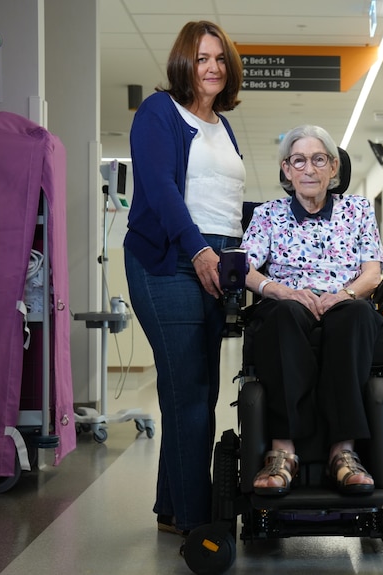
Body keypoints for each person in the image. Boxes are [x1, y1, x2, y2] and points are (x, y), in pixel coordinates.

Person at [123, 20, 244, 537]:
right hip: (169, 259)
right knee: (189, 392)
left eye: (219, 57)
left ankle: (173, 509)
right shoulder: (158, 112)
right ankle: (200, 523)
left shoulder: (223, 125)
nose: (212, 67)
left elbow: (226, 202)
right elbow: (162, 189)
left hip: (217, 260)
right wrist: (197, 250)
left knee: (197, 390)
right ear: (183, 63)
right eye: (201, 58)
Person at [239, 124, 383, 496]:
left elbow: (373, 272)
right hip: (288, 301)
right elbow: (244, 267)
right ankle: (283, 452)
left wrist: (346, 293)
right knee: (283, 316)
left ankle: (344, 453)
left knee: (354, 317)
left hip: (345, 300)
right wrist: (279, 290)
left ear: (334, 167)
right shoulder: (268, 214)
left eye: (318, 160)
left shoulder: (357, 209)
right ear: (286, 170)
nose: (309, 169)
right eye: (299, 161)